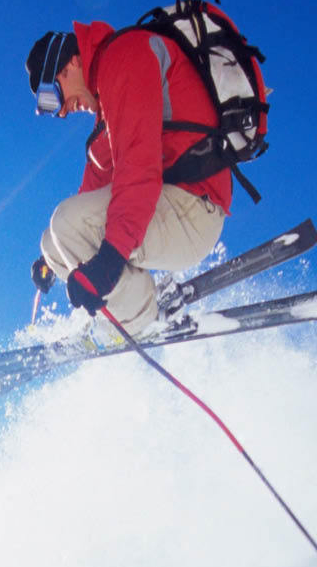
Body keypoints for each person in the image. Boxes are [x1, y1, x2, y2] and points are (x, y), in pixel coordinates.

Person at [25, 24, 232, 335]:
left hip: (194, 206)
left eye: (52, 97)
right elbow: (91, 194)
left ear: (70, 63)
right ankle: (127, 309)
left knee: (66, 225)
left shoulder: (125, 59)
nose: (62, 112)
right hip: (168, 207)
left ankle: (140, 319)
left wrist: (109, 261)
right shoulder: (107, 105)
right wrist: (50, 258)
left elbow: (139, 170)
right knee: (53, 239)